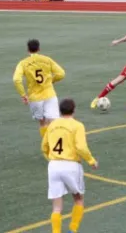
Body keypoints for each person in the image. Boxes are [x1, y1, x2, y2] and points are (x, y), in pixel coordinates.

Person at [41, 98, 98, 233]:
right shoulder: (77, 125)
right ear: (74, 110)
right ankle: (73, 229)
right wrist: (91, 161)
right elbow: (81, 147)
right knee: (78, 199)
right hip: (71, 166)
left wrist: (51, 158)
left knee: (56, 207)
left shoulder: (52, 125)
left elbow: (44, 146)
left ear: (60, 111)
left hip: (53, 166)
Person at [13, 39, 66, 138]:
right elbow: (61, 74)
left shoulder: (23, 63)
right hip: (50, 94)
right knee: (53, 121)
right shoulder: (47, 60)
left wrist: (23, 94)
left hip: (35, 97)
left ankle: (47, 144)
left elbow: (17, 80)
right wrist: (51, 80)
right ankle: (57, 142)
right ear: (39, 49)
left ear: (28, 50)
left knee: (42, 122)